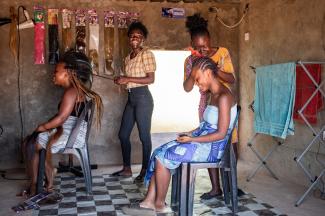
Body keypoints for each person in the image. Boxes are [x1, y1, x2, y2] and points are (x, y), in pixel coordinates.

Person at [123, 57, 237, 214]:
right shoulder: (214, 94)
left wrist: (193, 139)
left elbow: (221, 133)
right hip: (203, 142)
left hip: (212, 149)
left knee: (165, 156)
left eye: (197, 78)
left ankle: (159, 205)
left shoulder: (224, 97)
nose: (196, 83)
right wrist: (191, 133)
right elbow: (207, 126)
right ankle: (149, 201)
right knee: (158, 152)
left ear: (209, 73)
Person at [24, 50, 103, 196]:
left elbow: (61, 118)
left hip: (73, 135)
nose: (53, 74)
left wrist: (43, 127)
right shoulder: (73, 91)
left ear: (68, 73)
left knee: (36, 141)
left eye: (56, 71)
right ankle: (40, 179)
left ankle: (43, 180)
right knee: (32, 141)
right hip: (71, 130)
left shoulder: (71, 92)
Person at [183, 13, 240, 200]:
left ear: (210, 40)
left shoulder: (222, 52)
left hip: (224, 102)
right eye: (198, 47)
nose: (203, 50)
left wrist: (213, 66)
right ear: (192, 44)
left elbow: (231, 78)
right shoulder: (190, 61)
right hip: (206, 106)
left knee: (231, 144)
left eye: (205, 46)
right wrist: (193, 73)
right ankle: (216, 188)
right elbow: (187, 88)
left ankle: (232, 184)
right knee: (210, 143)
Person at [113, 21, 156, 183]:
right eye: (132, 36)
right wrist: (121, 80)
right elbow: (128, 81)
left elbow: (150, 79)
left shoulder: (147, 54)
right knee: (123, 134)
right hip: (131, 98)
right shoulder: (127, 58)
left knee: (144, 137)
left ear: (143, 39)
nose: (134, 38)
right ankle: (127, 169)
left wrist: (127, 78)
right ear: (128, 39)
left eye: (138, 36)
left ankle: (145, 170)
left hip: (143, 98)